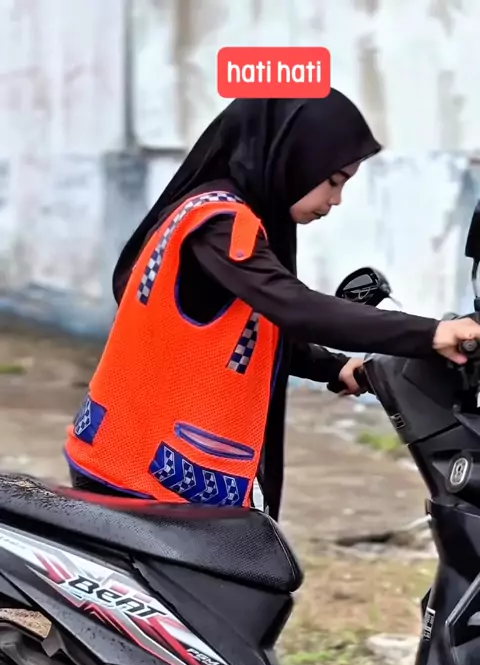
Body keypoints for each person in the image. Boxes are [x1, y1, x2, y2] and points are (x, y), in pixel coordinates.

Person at [64, 93, 480, 521]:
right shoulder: (221, 225)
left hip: (127, 455)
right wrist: (432, 333)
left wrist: (335, 368)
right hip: (150, 476)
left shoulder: (207, 214)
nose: (336, 199)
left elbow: (248, 329)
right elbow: (294, 307)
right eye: (333, 180)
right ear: (292, 157)